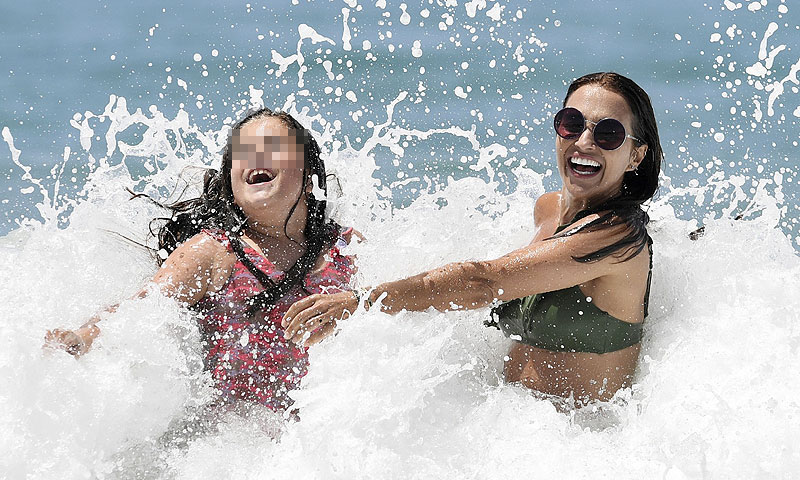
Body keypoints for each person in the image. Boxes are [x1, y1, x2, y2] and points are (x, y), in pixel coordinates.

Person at [281, 72, 663, 406]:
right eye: (571, 123)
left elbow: (484, 282)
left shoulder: (617, 237)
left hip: (583, 447)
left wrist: (362, 301)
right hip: (507, 433)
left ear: (635, 156)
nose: (584, 141)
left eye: (609, 133)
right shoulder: (548, 209)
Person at [45, 108, 357, 413]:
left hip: (321, 437)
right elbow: (139, 308)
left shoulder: (345, 247)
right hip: (235, 444)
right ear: (232, 185)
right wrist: (81, 338)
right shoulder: (213, 253)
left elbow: (403, 292)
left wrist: (359, 301)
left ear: (308, 176)